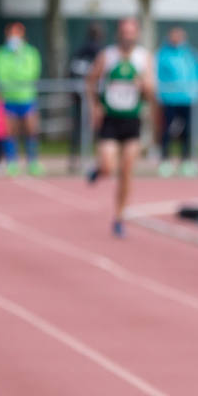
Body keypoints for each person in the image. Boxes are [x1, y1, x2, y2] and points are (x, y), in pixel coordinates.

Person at [85, 17, 155, 238]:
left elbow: (152, 91)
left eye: (131, 32)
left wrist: (143, 86)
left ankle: (119, 217)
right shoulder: (108, 56)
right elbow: (91, 81)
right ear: (118, 34)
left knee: (126, 171)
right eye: (124, 32)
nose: (127, 36)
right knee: (108, 166)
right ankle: (99, 171)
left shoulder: (144, 58)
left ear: (137, 34)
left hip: (132, 120)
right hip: (110, 119)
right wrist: (94, 106)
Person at [0, 21, 43, 175]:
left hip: (27, 97)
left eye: (17, 34)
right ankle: (11, 162)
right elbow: (0, 74)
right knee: (9, 131)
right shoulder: (1, 53)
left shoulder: (31, 52)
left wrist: (17, 77)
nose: (14, 37)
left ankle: (32, 162)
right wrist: (13, 81)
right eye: (11, 34)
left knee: (31, 130)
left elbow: (32, 73)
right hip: (9, 97)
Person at [155, 26, 198, 176]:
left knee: (187, 131)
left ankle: (186, 161)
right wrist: (160, 93)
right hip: (168, 98)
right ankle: (165, 161)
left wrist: (196, 91)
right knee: (167, 130)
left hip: (187, 98)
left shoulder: (190, 53)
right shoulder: (162, 54)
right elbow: (157, 74)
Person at [67, 22, 106, 173]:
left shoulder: (80, 51)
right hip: (90, 97)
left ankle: (76, 160)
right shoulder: (99, 52)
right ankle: (82, 160)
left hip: (83, 96)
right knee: (92, 128)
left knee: (81, 128)